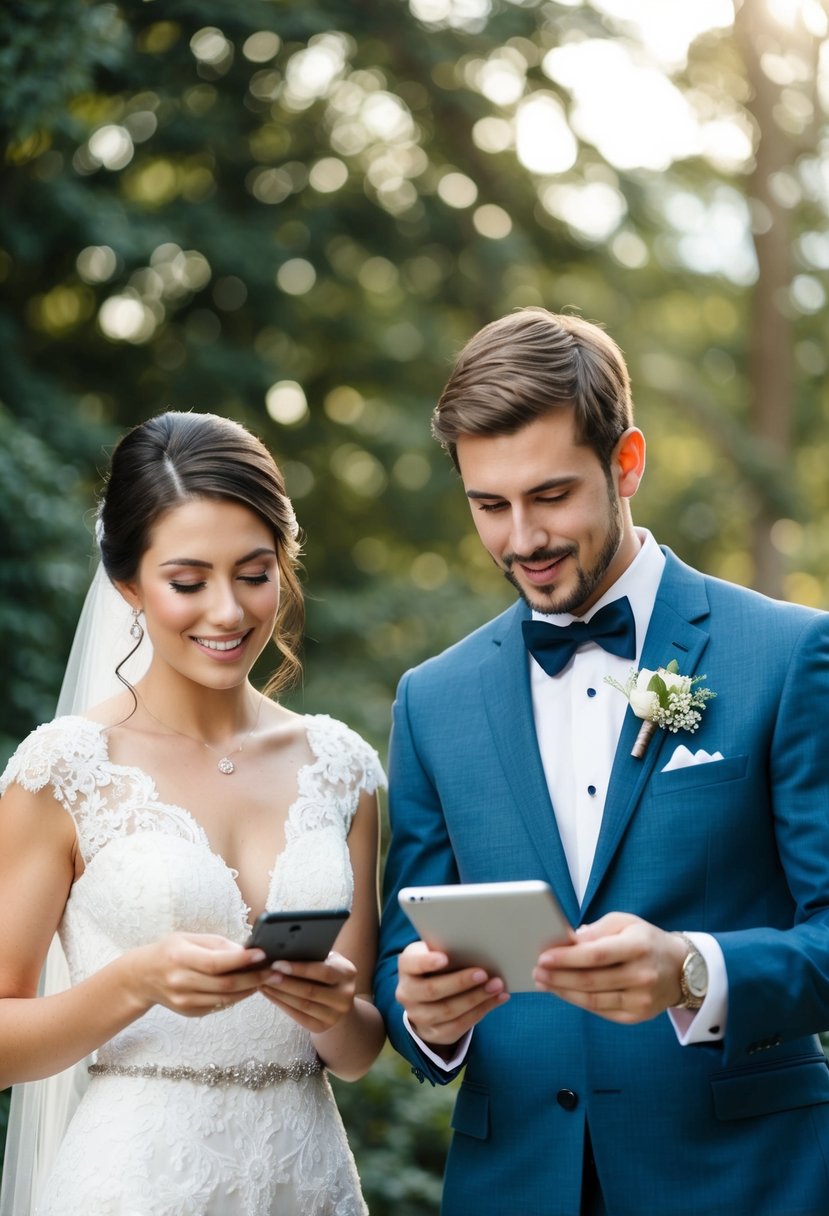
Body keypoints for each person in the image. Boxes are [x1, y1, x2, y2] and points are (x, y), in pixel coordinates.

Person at [374, 308, 829, 1216]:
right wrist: (423, 1013)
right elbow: (401, 951)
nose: (520, 540)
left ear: (625, 464)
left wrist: (694, 969)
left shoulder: (787, 655)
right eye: (487, 505)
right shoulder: (432, 699)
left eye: (550, 497)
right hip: (513, 1187)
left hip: (746, 1183)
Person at [0, 410, 385, 1216]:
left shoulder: (340, 765)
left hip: (305, 1179)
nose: (228, 612)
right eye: (187, 581)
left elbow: (354, 1052)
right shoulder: (62, 769)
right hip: (134, 1182)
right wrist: (135, 980)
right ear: (128, 585)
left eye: (253, 573)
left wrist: (332, 1010)